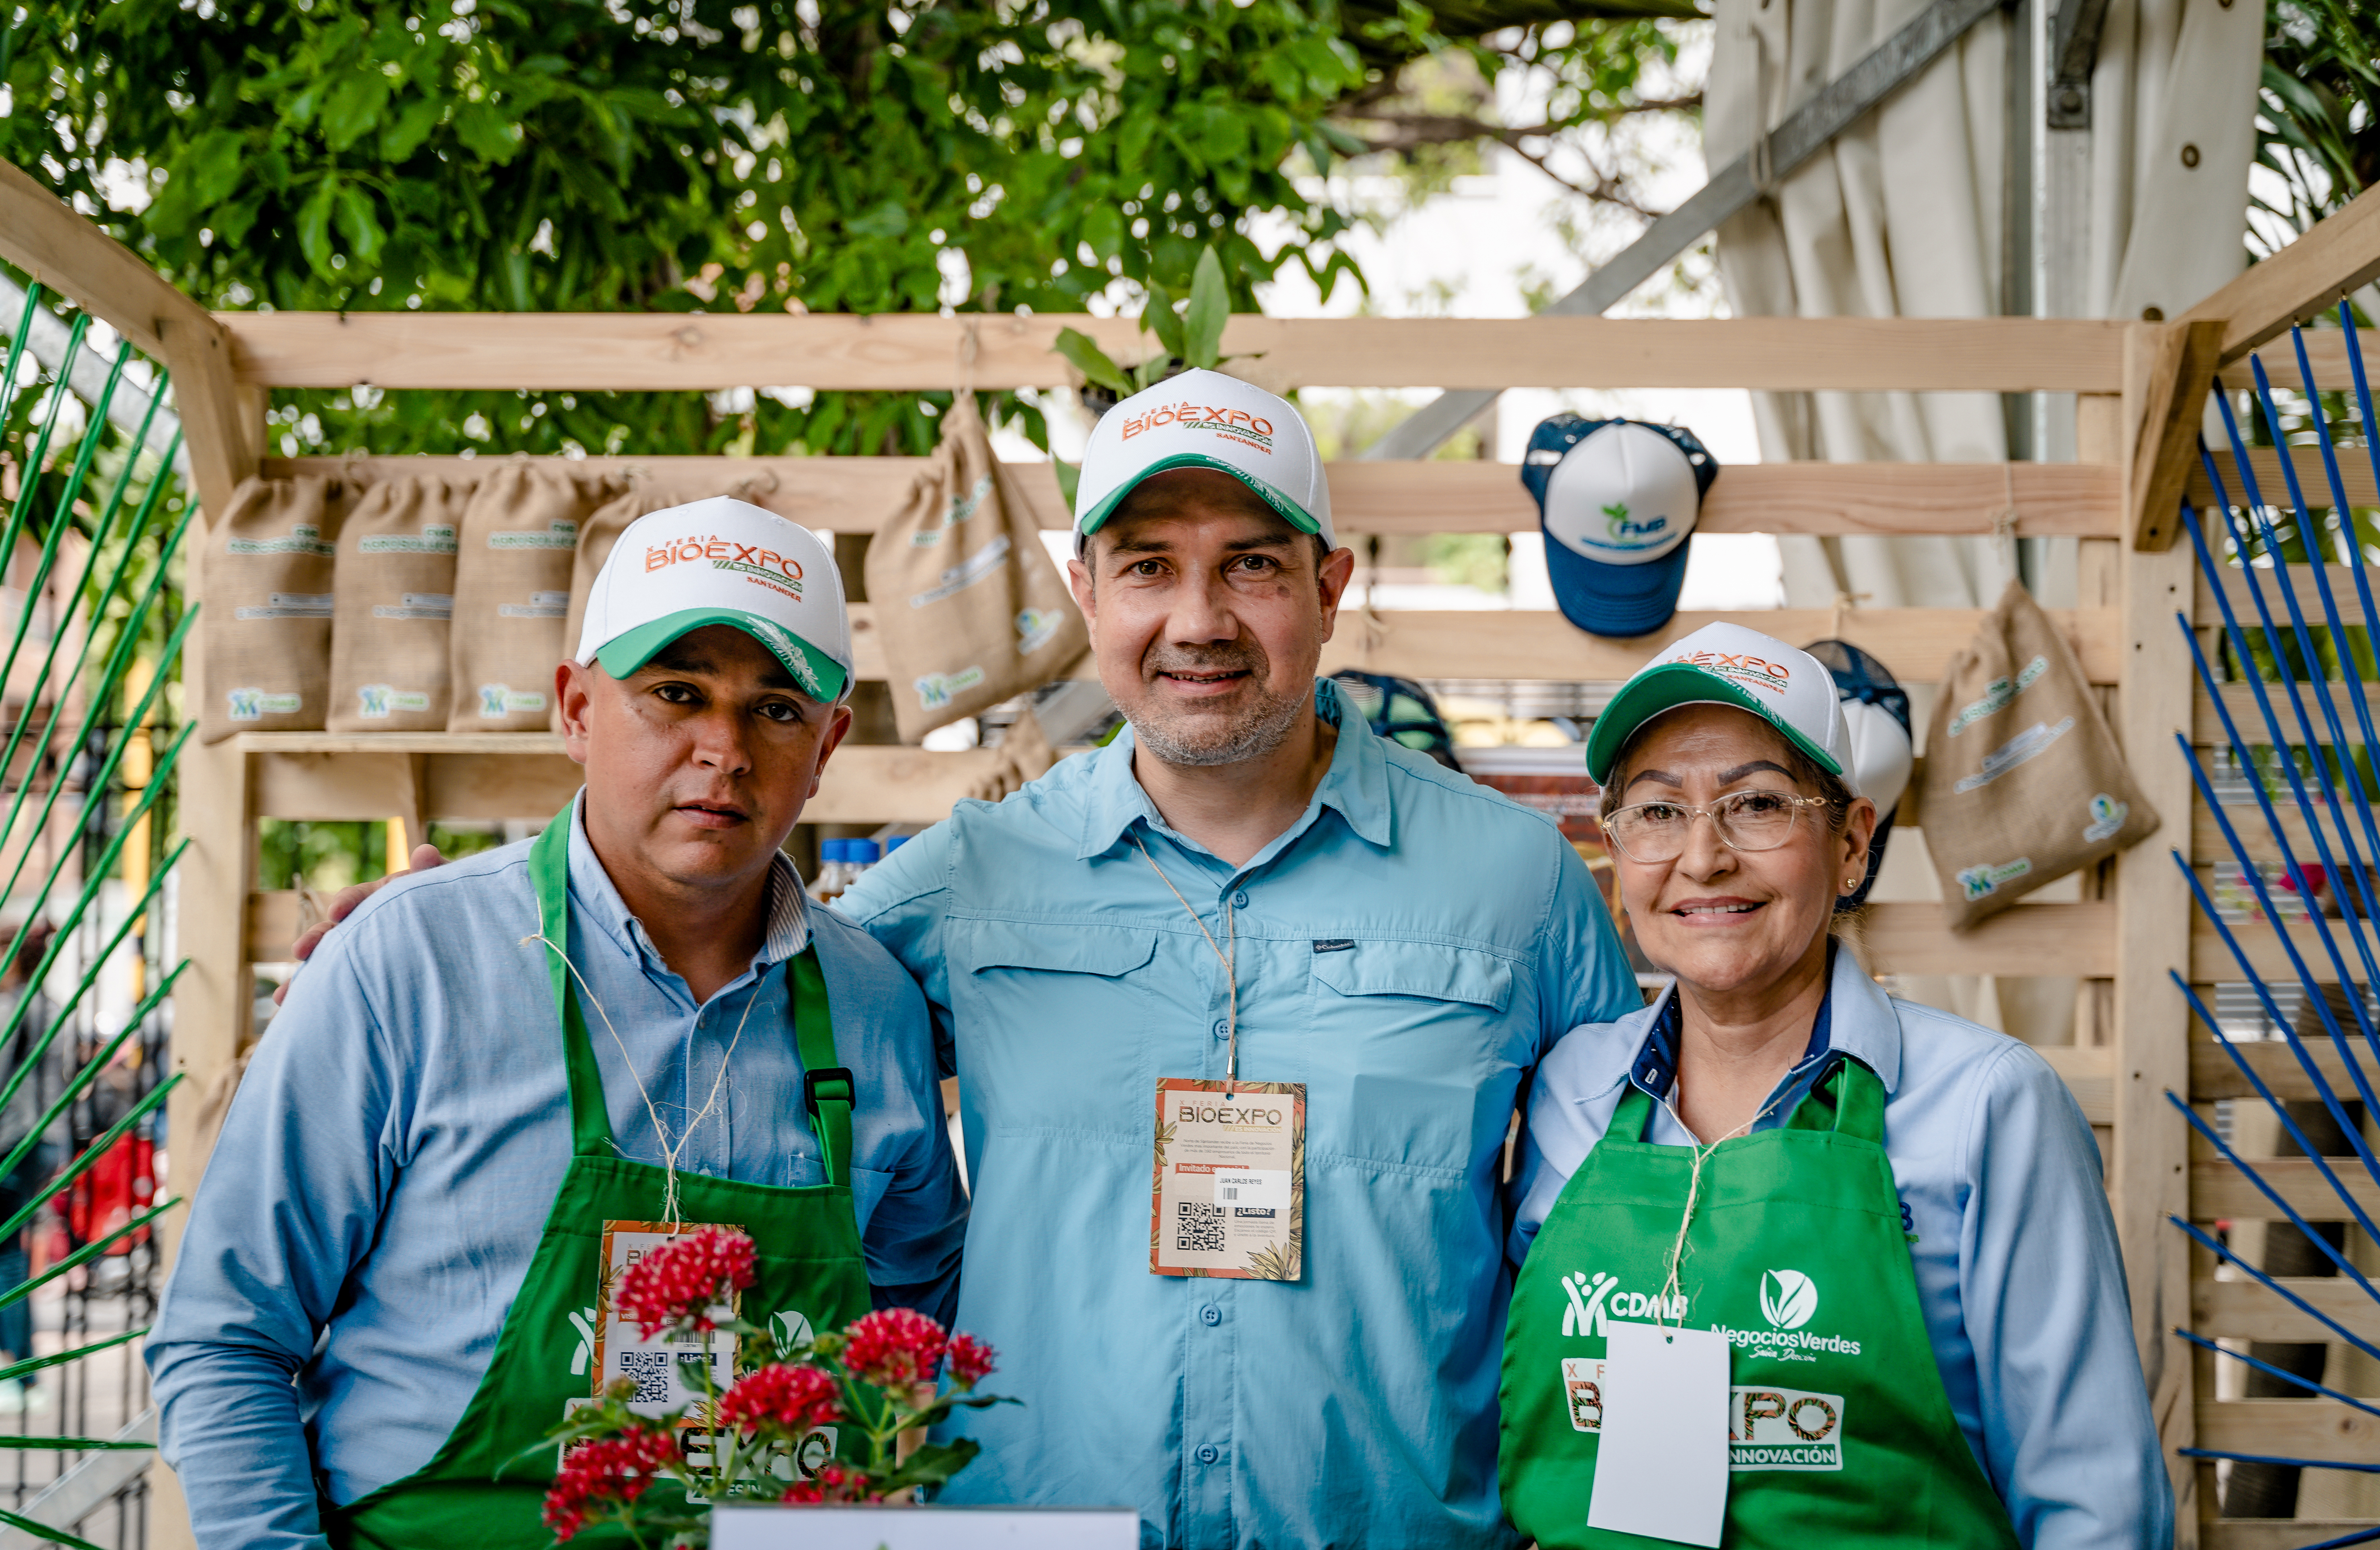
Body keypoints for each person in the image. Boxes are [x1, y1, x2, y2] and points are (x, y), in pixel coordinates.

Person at [296, 370, 1642, 1548]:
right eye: (1147, 566)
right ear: (1087, 593)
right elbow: (716, 968)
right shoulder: (967, 877)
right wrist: (469, 914)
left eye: (1250, 563)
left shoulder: (1516, 885)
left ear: (1327, 586)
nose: (1198, 620)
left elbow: (1623, 1236)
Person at [147, 498, 967, 1550]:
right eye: (675, 694)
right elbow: (225, 1339)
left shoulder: (873, 1010)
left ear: (827, 743)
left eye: (773, 709)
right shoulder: (411, 962)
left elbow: (914, 1340)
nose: (721, 748)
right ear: (576, 708)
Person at [1499, 622, 2169, 1548]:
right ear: (1616, 850)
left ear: (1852, 844)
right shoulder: (1571, 1089)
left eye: (1757, 806)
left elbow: (2094, 1504)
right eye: (1657, 812)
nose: (1701, 859)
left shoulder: (1987, 1106)